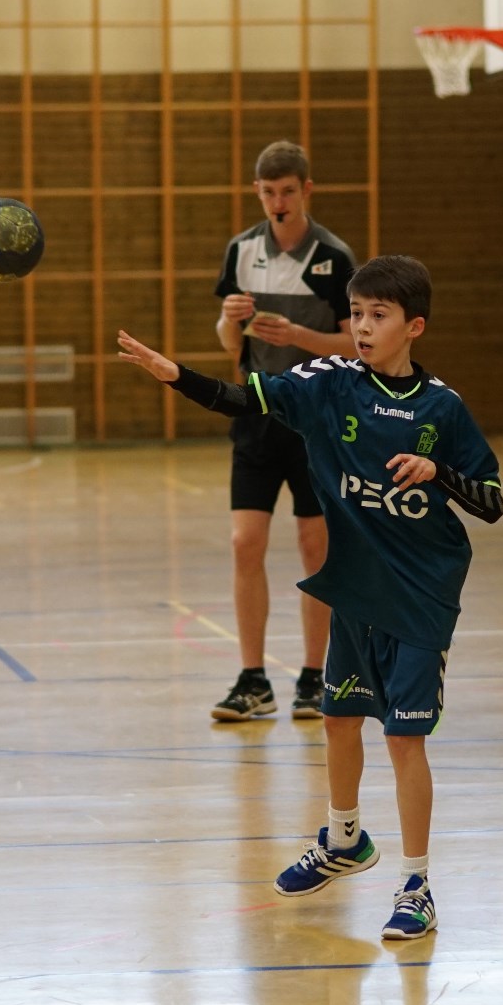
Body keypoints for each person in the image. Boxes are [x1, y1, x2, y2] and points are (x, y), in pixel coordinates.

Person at [115, 255, 502, 941]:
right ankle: (345, 838)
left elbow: (492, 502)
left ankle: (416, 884)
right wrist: (175, 375)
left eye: (377, 316)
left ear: (414, 327)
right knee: (338, 719)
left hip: (420, 594)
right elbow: (247, 399)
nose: (361, 326)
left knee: (405, 738)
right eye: (355, 314)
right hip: (355, 587)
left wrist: (438, 471)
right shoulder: (328, 384)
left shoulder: (442, 408)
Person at [212, 140, 358, 721]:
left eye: (288, 192)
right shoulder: (242, 251)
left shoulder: (334, 258)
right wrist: (229, 321)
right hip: (256, 413)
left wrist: (300, 336)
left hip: (316, 419)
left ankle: (314, 676)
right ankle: (253, 680)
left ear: (306, 191)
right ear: (258, 193)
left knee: (314, 547)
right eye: (268, 193)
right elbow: (229, 346)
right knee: (245, 543)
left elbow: (357, 343)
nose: (278, 202)